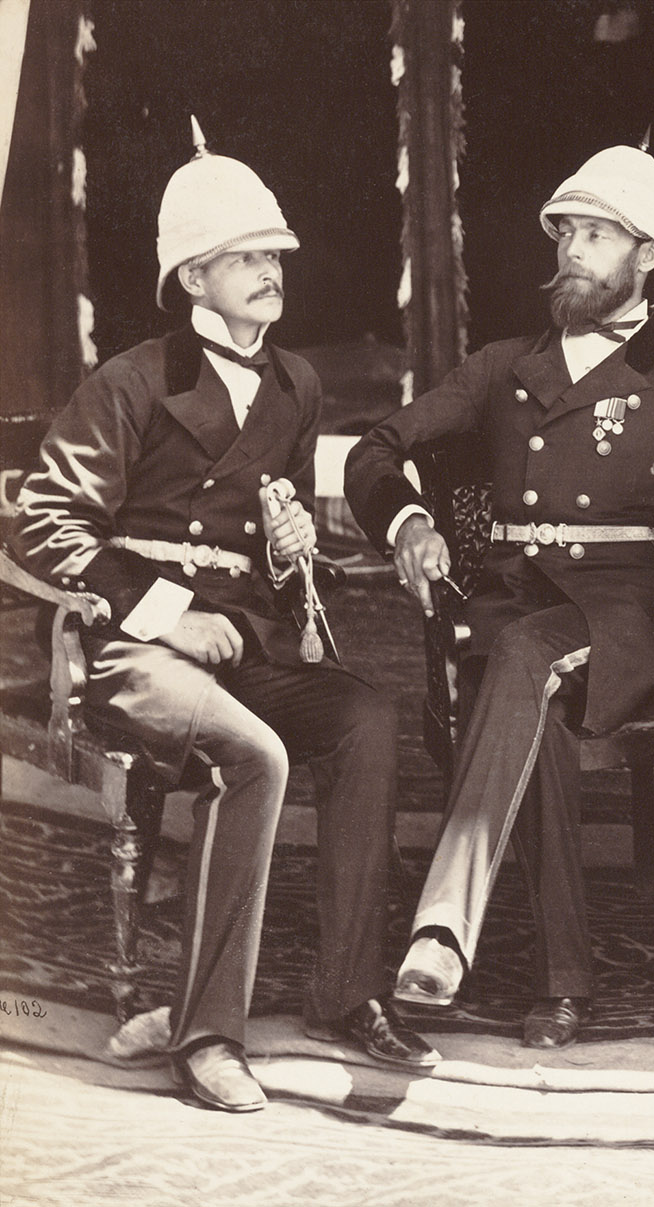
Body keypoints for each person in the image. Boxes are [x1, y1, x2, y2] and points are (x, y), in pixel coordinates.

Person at [13, 123, 437, 1112]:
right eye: (244, 257)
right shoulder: (133, 379)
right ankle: (207, 1037)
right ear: (193, 277)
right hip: (131, 646)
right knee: (257, 754)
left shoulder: (297, 384)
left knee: (367, 718)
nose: (269, 271)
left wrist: (291, 553)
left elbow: (276, 565)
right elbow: (44, 522)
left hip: (239, 635)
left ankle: (346, 992)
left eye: (274, 254)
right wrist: (167, 612)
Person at [344, 143, 654, 1050]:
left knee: (520, 659)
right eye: (566, 232)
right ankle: (563, 984)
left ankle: (444, 923)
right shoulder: (502, 366)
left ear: (647, 255)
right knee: (525, 691)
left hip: (631, 619)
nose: (571, 249)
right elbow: (375, 449)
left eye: (596, 235)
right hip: (511, 609)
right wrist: (408, 521)